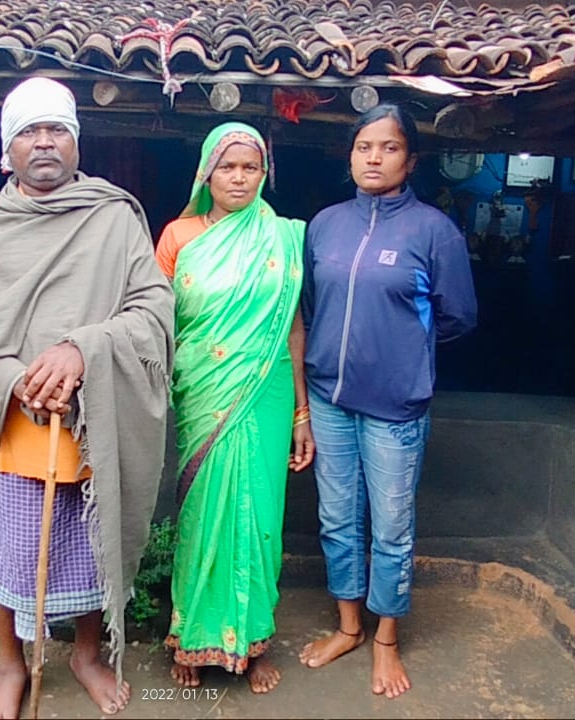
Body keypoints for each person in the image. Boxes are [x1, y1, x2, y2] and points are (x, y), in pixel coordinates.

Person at [0, 77, 174, 719]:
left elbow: (154, 305)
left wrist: (83, 349)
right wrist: (19, 380)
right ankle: (10, 664)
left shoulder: (113, 217)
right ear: (6, 150)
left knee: (94, 541)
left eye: (57, 130)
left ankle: (87, 654)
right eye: (28, 131)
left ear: (76, 142)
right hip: (19, 418)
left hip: (96, 414)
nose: (44, 141)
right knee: (13, 545)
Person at [296, 104, 477, 699]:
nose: (374, 158)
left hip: (396, 406)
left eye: (389, 148)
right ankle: (348, 627)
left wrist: (402, 352)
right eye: (364, 147)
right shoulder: (324, 225)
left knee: (392, 528)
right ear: (349, 156)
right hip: (329, 397)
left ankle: (386, 639)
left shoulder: (432, 230)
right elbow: (313, 308)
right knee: (337, 519)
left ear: (410, 159)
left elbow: (457, 317)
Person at [154, 122, 315, 695]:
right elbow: (155, 323)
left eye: (251, 167)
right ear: (207, 173)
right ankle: (191, 637)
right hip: (202, 393)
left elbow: (292, 325)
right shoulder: (178, 236)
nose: (240, 177)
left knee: (260, 517)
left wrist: (301, 411)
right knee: (201, 519)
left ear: (264, 173)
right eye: (229, 167)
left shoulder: (284, 237)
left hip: (266, 396)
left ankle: (252, 642)